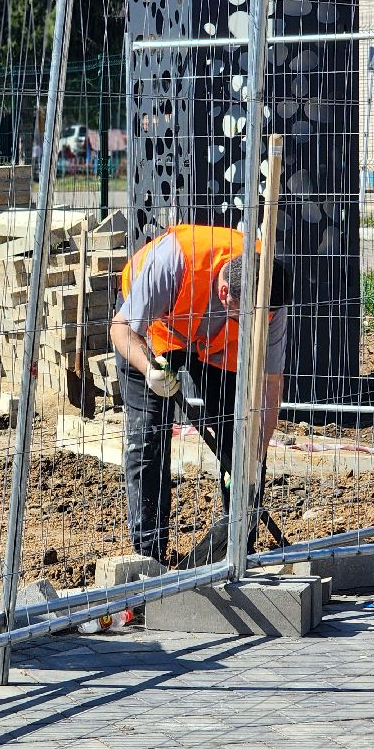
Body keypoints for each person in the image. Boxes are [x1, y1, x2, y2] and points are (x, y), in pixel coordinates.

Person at [111, 224, 293, 565]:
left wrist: (256, 454)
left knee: (239, 434)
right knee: (149, 436)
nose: (255, 325)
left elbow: (269, 385)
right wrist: (150, 369)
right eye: (246, 317)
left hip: (215, 346)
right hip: (150, 331)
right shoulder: (172, 263)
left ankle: (238, 548)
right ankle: (148, 557)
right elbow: (120, 329)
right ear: (225, 293)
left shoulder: (270, 297)